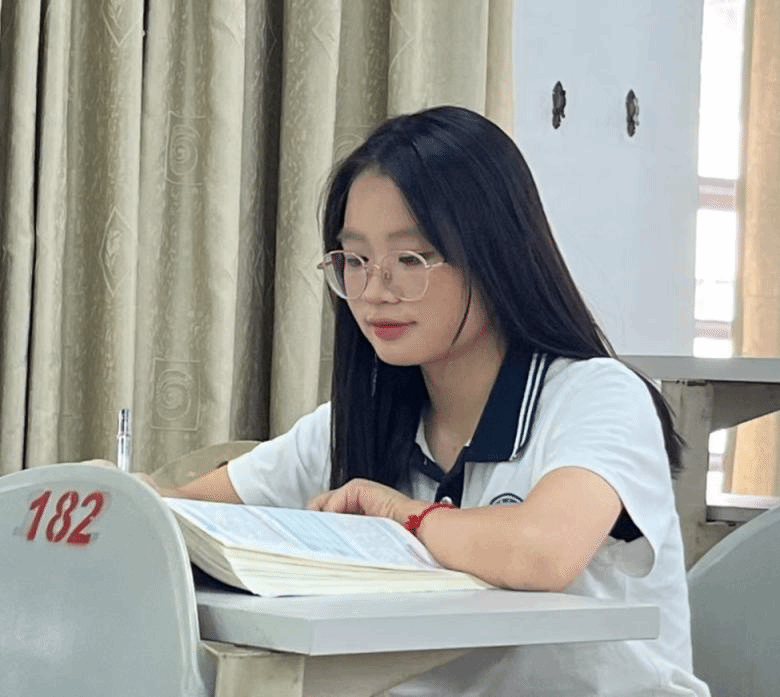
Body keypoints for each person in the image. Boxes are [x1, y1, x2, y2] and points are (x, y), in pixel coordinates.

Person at [152, 106, 708, 696]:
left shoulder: (596, 396)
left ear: (495, 256)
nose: (374, 290)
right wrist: (111, 493)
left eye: (410, 259)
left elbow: (543, 551)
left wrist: (402, 516)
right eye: (355, 260)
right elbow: (182, 510)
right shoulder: (360, 419)